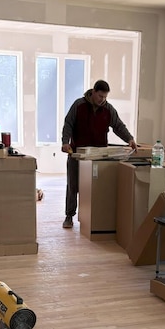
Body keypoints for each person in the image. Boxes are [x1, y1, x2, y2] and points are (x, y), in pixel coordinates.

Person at [60, 80, 138, 228]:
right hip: (77, 154)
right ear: (94, 92)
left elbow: (118, 126)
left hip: (99, 156)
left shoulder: (108, 109)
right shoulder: (79, 105)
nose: (102, 99)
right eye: (100, 96)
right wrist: (65, 142)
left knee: (96, 187)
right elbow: (68, 123)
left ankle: (94, 217)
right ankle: (69, 216)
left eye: (105, 97)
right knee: (73, 186)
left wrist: (130, 139)